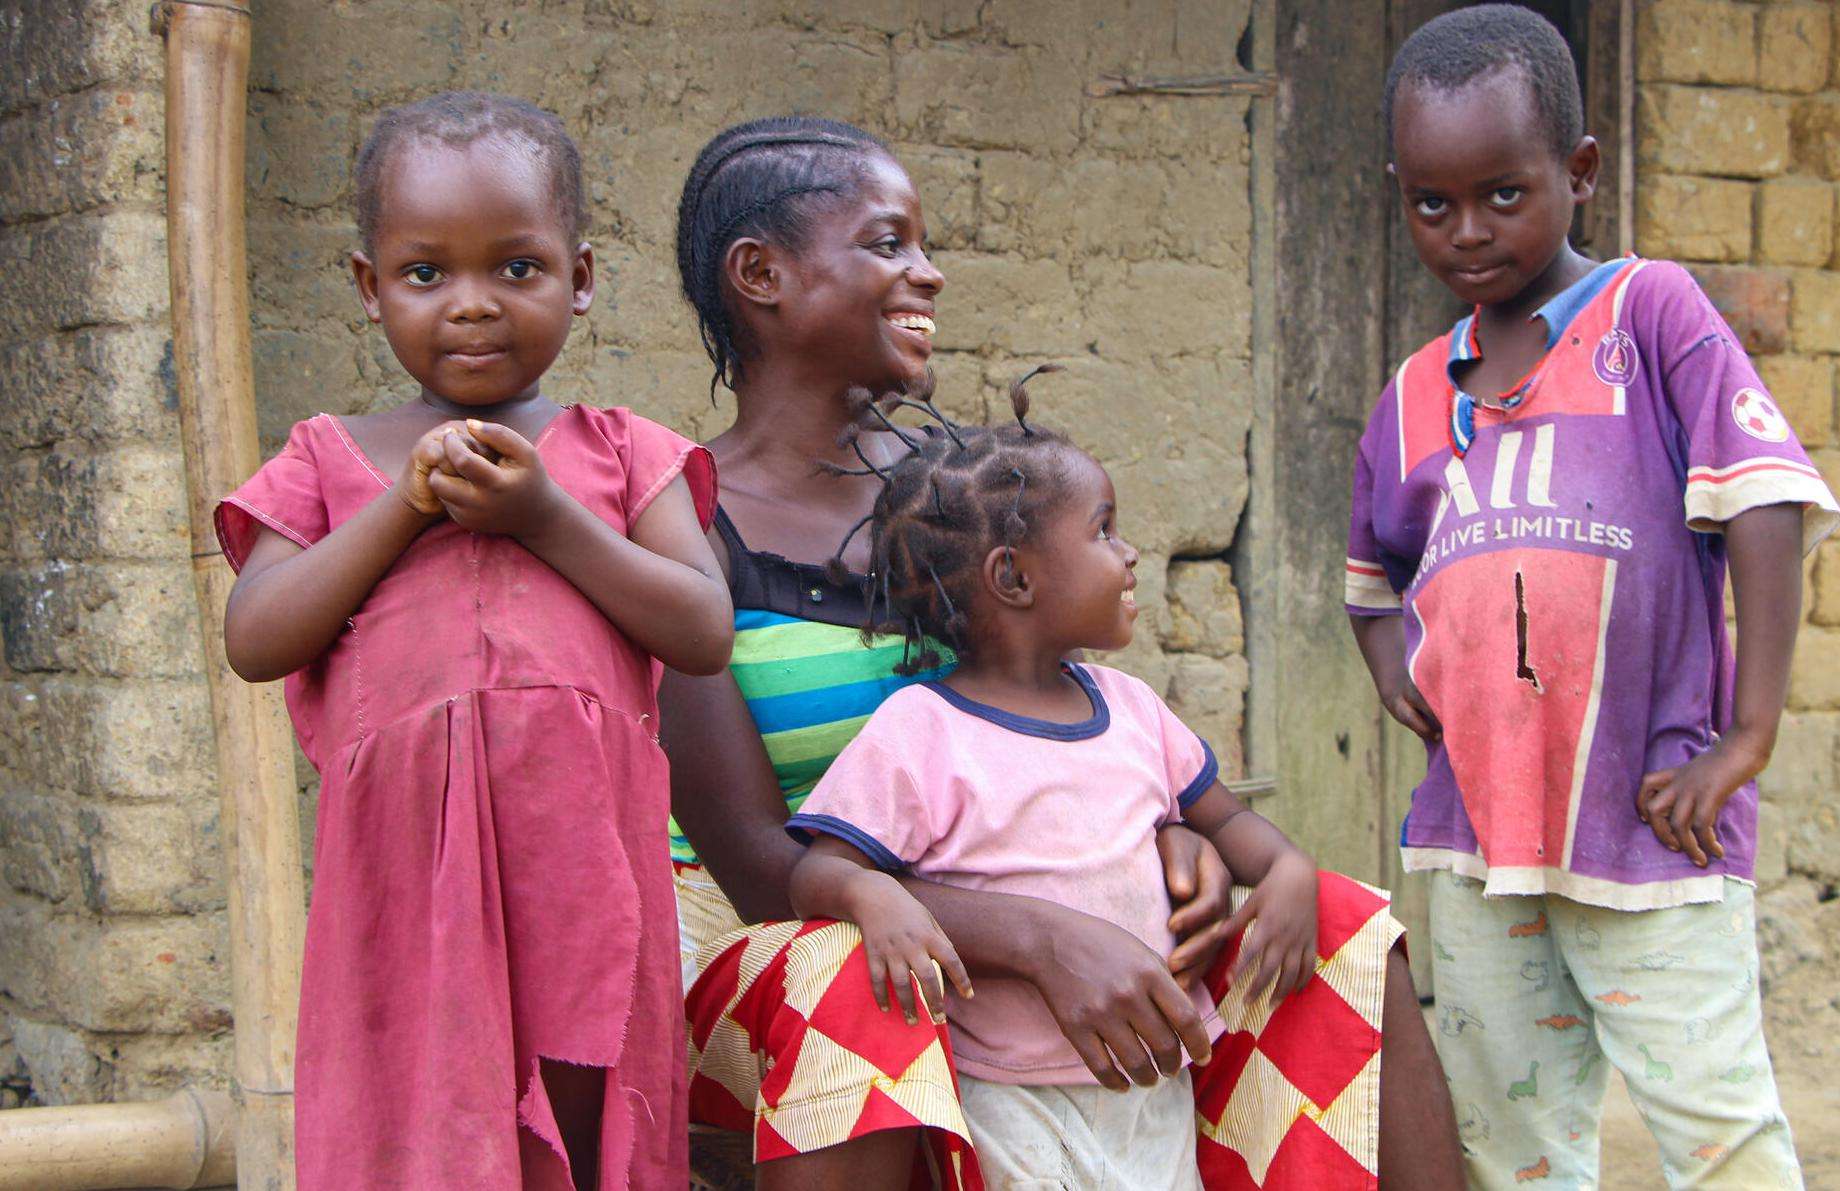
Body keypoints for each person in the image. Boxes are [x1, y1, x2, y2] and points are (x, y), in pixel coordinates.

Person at [660, 116, 1460, 1190]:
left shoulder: (961, 496)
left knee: (1338, 930)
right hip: (776, 942)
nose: (928, 273)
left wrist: (1175, 846)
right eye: (887, 243)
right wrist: (1038, 939)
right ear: (760, 274)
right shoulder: (680, 523)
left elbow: (1060, 723)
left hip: (987, 909)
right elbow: (762, 875)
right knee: (849, 977)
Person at [1345, 8, 1837, 1188]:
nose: (1466, 232)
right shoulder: (1413, 393)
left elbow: (1763, 504)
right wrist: (1394, 676)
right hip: (1474, 840)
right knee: (1510, 1142)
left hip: (1653, 821)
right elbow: (1371, 580)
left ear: (1578, 172)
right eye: (1430, 203)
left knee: (1716, 1132)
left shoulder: (1651, 315)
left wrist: (1747, 734)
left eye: (1503, 195)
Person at [217, 92, 733, 1190]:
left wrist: (544, 517)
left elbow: (699, 627)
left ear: (580, 278)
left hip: (580, 874)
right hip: (404, 883)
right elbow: (256, 638)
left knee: (582, 1120)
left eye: (515, 268)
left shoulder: (621, 453)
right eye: (424, 274)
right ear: (368, 289)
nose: (471, 307)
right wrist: (402, 507)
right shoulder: (327, 457)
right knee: (420, 1122)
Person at [785, 375, 1344, 1189]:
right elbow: (818, 868)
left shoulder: (1133, 709)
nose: (1129, 553)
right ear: (1014, 579)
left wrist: (1289, 871)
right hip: (1008, 1092)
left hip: (1151, 1079)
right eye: (1104, 530)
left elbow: (1227, 824)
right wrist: (871, 899)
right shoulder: (922, 731)